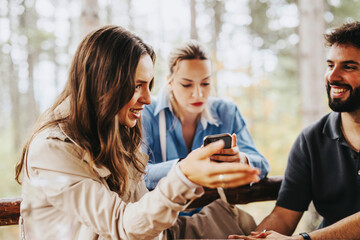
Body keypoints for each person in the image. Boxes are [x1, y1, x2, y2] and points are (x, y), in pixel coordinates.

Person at [14, 25, 261, 240]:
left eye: (149, 85)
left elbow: (145, 217)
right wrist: (184, 175)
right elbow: (123, 225)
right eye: (136, 86)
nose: (147, 99)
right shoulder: (51, 150)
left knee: (238, 220)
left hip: (157, 233)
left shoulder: (120, 131)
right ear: (103, 84)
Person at [229, 21, 360, 240]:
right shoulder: (311, 140)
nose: (333, 76)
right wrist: (255, 239)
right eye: (330, 65)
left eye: (348, 67)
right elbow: (284, 215)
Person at [142, 40, 270, 191]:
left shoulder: (227, 112)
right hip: (163, 213)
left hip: (212, 211)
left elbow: (262, 164)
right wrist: (186, 168)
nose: (198, 94)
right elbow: (139, 176)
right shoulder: (146, 112)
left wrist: (241, 160)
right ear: (170, 82)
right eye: (187, 84)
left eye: (205, 83)